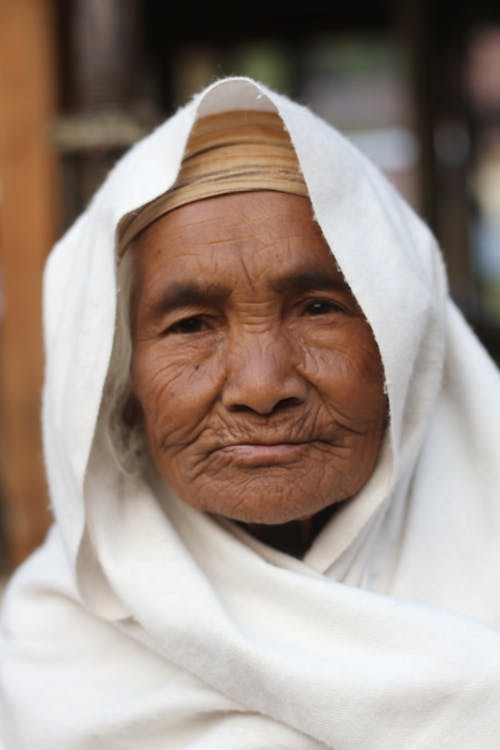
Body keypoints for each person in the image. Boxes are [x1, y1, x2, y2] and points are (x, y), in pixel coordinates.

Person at [1, 76, 500, 749]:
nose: (263, 387)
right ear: (120, 384)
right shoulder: (47, 656)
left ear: (404, 352)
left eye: (319, 308)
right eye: (190, 325)